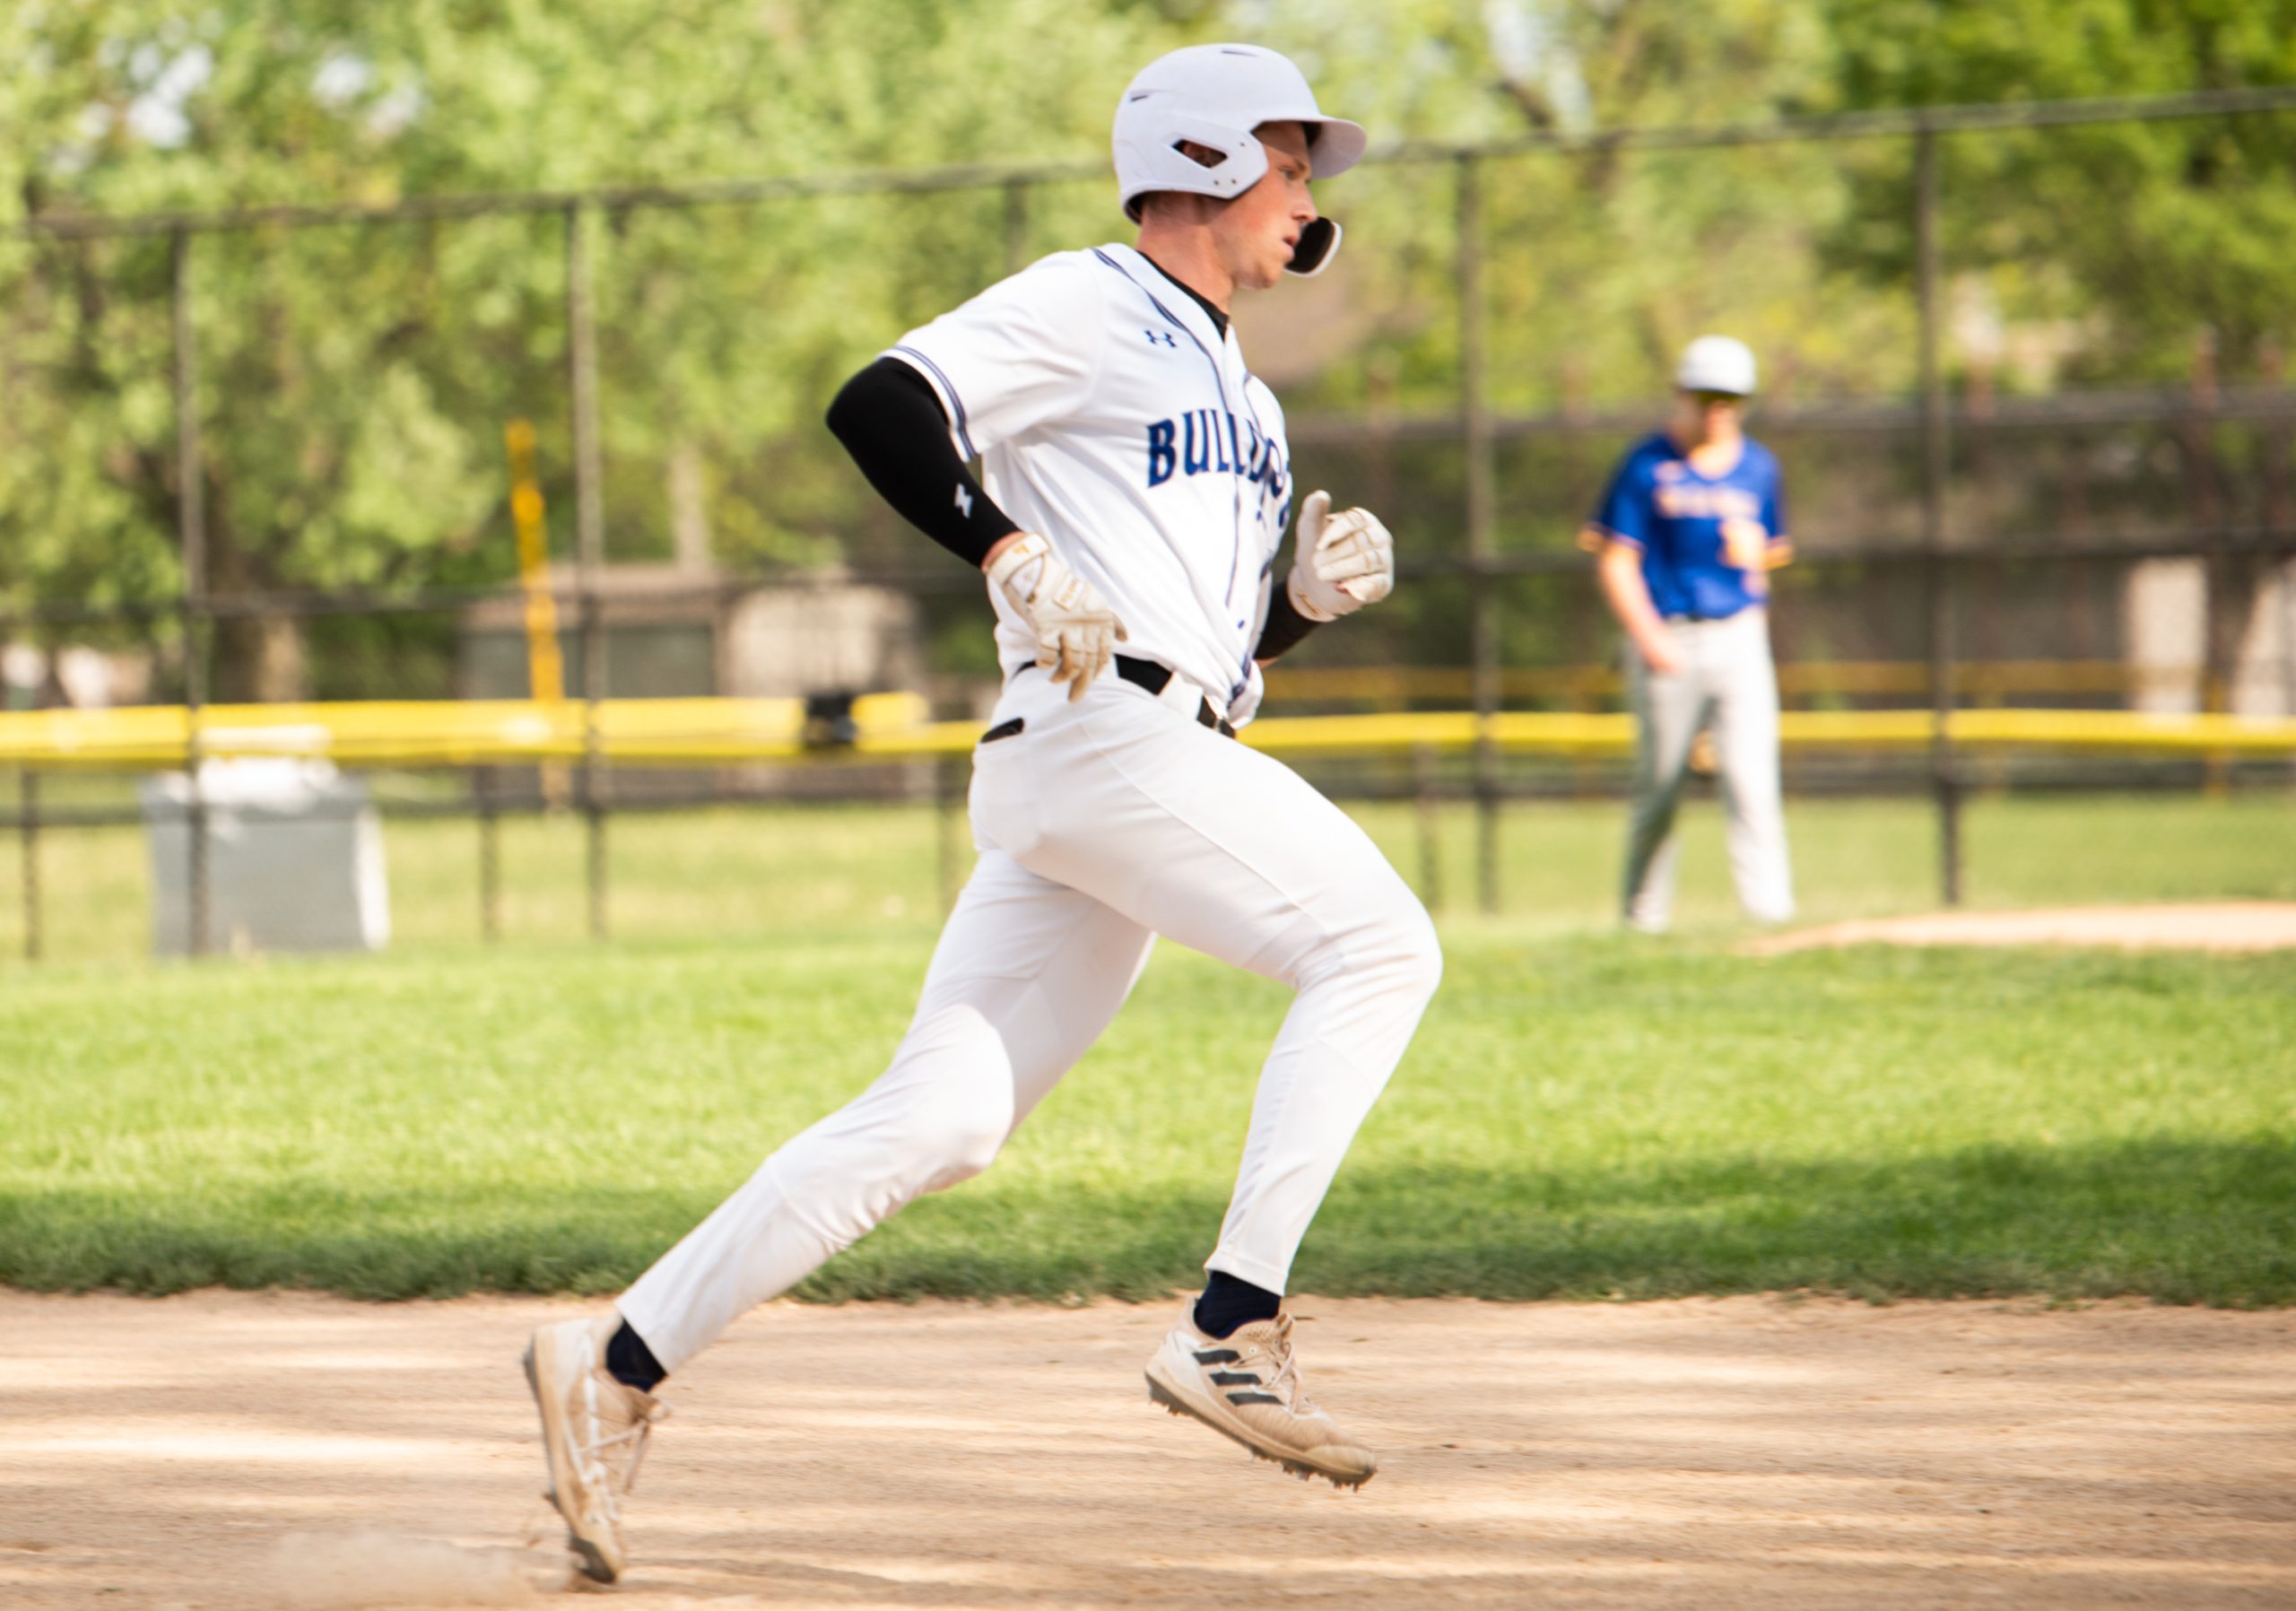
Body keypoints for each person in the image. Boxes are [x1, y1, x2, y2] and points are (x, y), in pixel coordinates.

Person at [520, 43, 1441, 1584]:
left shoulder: (1253, 398)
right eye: (1291, 160)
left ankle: (609, 1360)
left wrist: (1289, 612)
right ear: (1205, 165)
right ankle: (1232, 1328)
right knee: (1381, 948)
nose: (1309, 193)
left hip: (1131, 754)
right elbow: (880, 404)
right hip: (1096, 747)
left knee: (943, 1119)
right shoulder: (1091, 299)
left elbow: (1195, 650)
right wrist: (1005, 549)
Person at [1584, 335, 1796, 933]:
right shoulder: (1646, 464)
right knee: (1660, 786)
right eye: (1705, 395)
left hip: (1739, 633)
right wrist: (1649, 639)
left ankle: (1771, 918)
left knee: (1754, 782)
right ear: (1681, 394)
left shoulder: (1759, 467)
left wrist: (1755, 560)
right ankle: (1642, 920)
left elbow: (1765, 557)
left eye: (1730, 398)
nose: (1716, 409)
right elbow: (1616, 559)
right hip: (1669, 635)